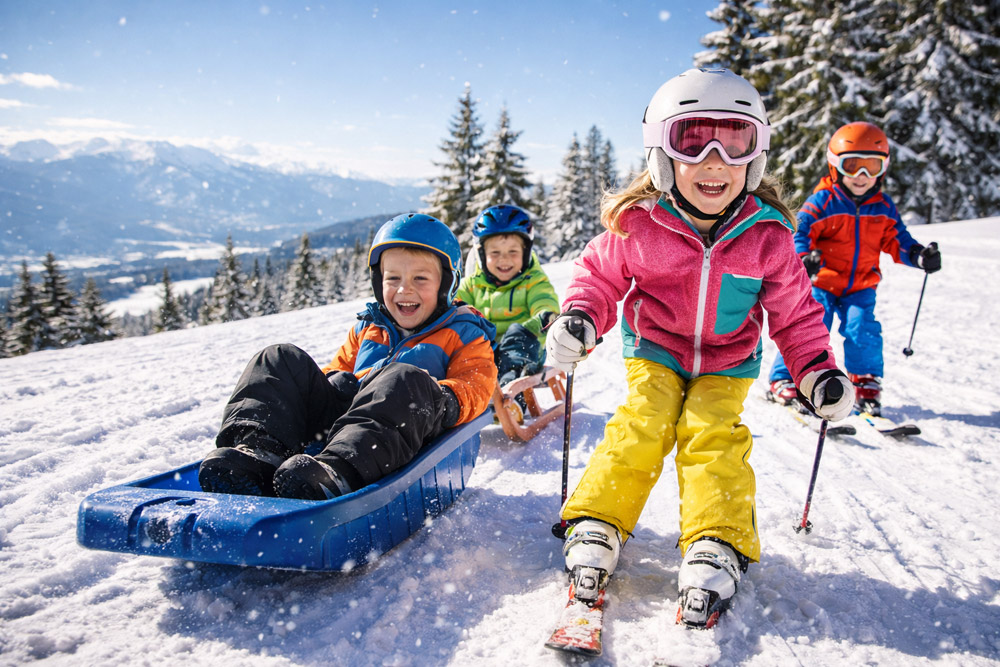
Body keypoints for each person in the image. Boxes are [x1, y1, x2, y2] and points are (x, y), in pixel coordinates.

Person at [543, 68, 855, 627]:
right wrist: (582, 318)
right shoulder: (639, 224)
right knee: (645, 419)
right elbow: (598, 276)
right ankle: (598, 519)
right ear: (662, 155)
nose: (715, 160)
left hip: (728, 361)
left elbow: (797, 315)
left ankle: (717, 537)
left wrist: (815, 371)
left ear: (754, 156)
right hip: (655, 349)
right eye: (694, 141)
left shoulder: (769, 237)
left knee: (713, 436)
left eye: (734, 142)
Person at [198, 213, 497, 500]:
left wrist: (441, 398)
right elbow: (337, 369)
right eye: (393, 278)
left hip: (402, 435)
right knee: (277, 358)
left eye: (420, 278)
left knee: (402, 376)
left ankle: (337, 472)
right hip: (344, 424)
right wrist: (336, 381)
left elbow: (478, 387)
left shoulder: (465, 333)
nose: (404, 289)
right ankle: (259, 453)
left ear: (447, 284)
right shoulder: (369, 326)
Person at [766, 121, 942, 416]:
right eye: (853, 166)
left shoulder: (883, 207)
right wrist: (803, 256)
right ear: (836, 165)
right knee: (809, 330)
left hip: (860, 286)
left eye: (871, 167)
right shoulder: (823, 201)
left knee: (864, 330)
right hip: (822, 282)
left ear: (882, 169)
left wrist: (919, 255)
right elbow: (800, 232)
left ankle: (865, 382)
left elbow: (899, 239)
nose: (862, 176)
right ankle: (786, 377)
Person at [456, 204, 560, 389]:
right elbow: (454, 305)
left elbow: (544, 302)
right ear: (481, 254)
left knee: (516, 333)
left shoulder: (533, 281)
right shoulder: (472, 284)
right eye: (495, 253)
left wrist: (545, 317)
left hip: (526, 352)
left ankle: (511, 392)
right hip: (486, 353)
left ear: (525, 252)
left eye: (513, 252)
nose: (504, 259)